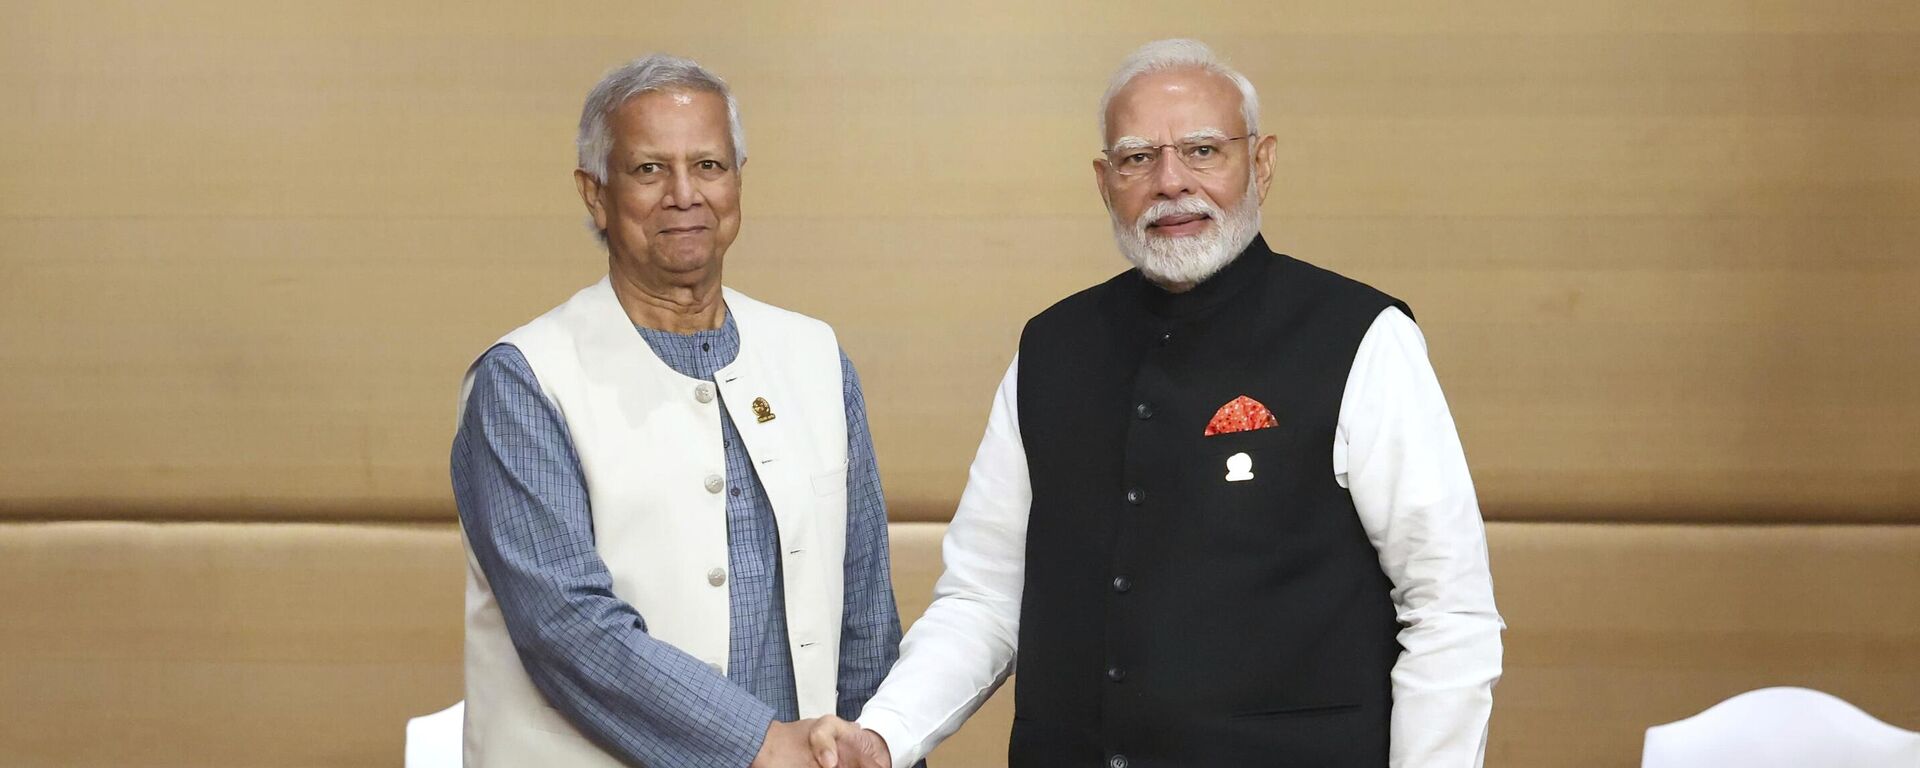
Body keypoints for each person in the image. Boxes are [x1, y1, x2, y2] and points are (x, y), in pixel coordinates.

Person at [812, 39, 1504, 768]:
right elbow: (983, 600)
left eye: (1203, 151)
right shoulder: (1050, 348)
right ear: (1104, 182)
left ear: (1262, 162)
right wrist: (883, 732)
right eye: (1138, 158)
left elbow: (1447, 611)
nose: (1171, 183)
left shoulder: (1361, 337)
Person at [450, 54, 904, 768]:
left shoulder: (815, 356)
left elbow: (867, 615)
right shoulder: (523, 380)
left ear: (738, 181)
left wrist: (880, 749)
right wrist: (760, 745)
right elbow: (569, 630)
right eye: (649, 170)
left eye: (709, 166)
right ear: (595, 194)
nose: (685, 195)